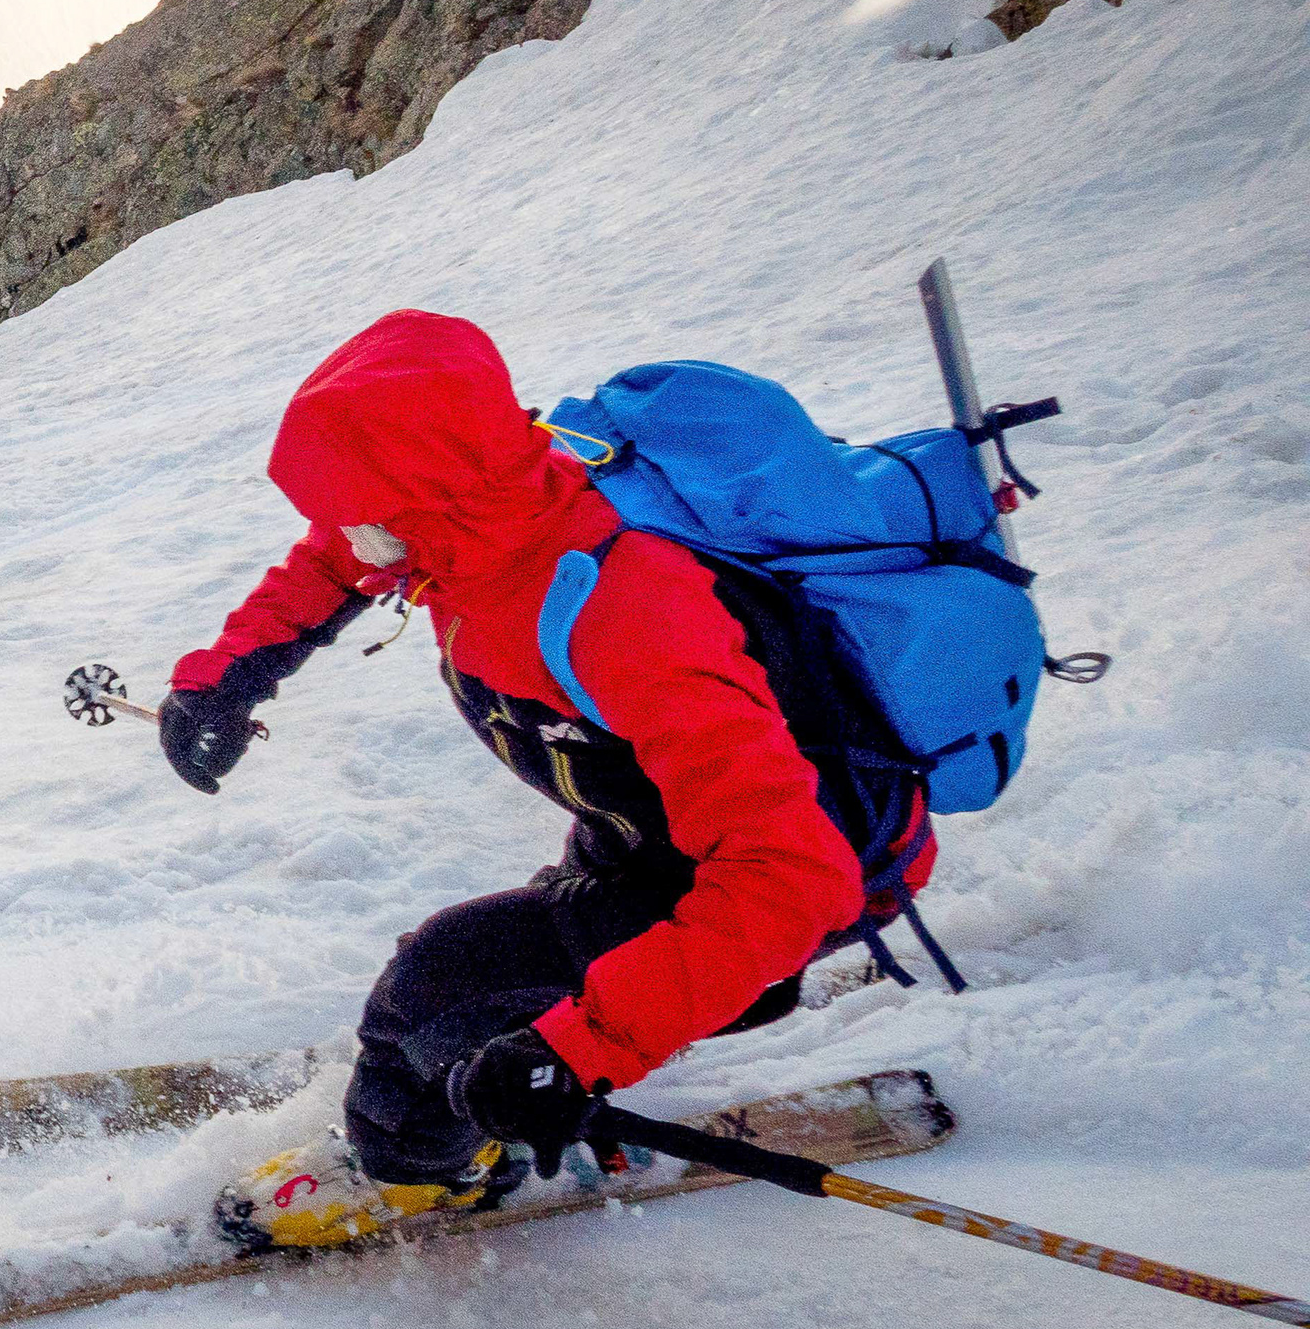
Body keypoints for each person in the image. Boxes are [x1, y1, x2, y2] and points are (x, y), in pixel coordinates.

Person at [160, 309, 917, 1248]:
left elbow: (790, 876)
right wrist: (227, 676)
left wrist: (577, 1052)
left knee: (431, 988)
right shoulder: (481, 518)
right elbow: (336, 558)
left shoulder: (626, 612)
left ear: (429, 501)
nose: (351, 539)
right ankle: (554, 1034)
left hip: (779, 877)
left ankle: (421, 1172)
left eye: (367, 517)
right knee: (495, 985)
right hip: (639, 831)